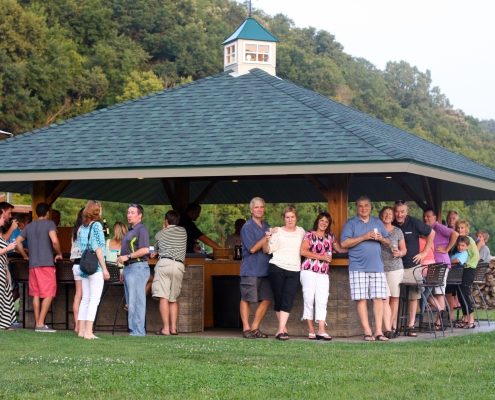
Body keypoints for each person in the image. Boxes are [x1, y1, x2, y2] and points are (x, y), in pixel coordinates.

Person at [341, 196, 391, 341]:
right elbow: (344, 243)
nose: (364, 208)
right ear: (357, 208)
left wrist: (381, 239)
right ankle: (367, 331)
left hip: (377, 266)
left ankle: (379, 332)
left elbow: (388, 242)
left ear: (370, 207)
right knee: (361, 299)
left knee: (378, 299)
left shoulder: (378, 222)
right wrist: (363, 237)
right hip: (358, 267)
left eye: (366, 205)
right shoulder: (351, 223)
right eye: (360, 206)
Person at [16, 203, 62, 332]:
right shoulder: (50, 224)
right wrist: (59, 253)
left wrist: (25, 256)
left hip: (33, 265)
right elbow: (54, 241)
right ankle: (40, 324)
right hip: (46, 264)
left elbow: (17, 242)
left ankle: (38, 324)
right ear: (47, 213)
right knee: (50, 292)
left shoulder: (29, 226)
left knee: (36, 294)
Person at [300, 212, 347, 340]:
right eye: (322, 220)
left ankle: (321, 329)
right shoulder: (309, 235)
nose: (324, 223)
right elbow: (303, 251)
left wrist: (357, 249)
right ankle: (311, 329)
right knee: (309, 298)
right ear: (318, 221)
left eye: (326, 221)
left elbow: (340, 249)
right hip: (309, 270)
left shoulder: (331, 236)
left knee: (322, 300)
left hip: (323, 272)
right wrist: (321, 257)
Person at [392, 200, 435, 337]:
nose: (399, 214)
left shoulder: (414, 222)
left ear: (406, 212)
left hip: (412, 266)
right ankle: (393, 326)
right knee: (394, 297)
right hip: (395, 266)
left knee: (413, 296)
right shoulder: (390, 223)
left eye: (402, 212)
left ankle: (411, 325)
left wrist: (424, 252)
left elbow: (432, 233)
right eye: (397, 211)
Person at [263, 205, 305, 340]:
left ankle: (281, 329)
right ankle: (282, 330)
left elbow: (308, 246)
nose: (290, 219)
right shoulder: (277, 231)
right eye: (287, 217)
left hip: (294, 269)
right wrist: (266, 240)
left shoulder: (301, 232)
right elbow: (266, 250)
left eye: (292, 217)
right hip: (277, 267)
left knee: (288, 298)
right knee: (279, 298)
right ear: (283, 218)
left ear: (296, 218)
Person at [239, 197, 273, 339]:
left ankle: (254, 327)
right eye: (257, 207)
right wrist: (267, 237)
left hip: (266, 270)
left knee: (267, 298)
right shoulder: (247, 227)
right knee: (246, 298)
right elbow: (252, 249)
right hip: (250, 269)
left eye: (262, 207)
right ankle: (246, 328)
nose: (259, 210)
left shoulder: (266, 225)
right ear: (251, 210)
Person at [77, 200, 110, 339]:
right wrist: (104, 268)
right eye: (100, 209)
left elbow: (80, 246)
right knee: (94, 300)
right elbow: (98, 248)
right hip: (95, 267)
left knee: (85, 299)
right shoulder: (96, 226)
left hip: (84, 266)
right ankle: (89, 332)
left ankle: (81, 331)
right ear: (96, 211)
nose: (101, 211)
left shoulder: (82, 227)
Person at [150, 210, 187, 336]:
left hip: (164, 264)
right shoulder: (183, 232)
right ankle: (173, 328)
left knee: (163, 297)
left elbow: (156, 248)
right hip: (179, 266)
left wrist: (163, 229)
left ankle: (165, 329)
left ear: (166, 221)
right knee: (173, 298)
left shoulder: (160, 234)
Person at [116, 204, 150, 336]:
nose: (129, 215)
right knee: (131, 302)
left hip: (138, 267)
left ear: (140, 215)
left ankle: (139, 332)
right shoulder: (130, 230)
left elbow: (145, 250)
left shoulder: (141, 230)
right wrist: (124, 269)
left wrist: (128, 257)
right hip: (129, 268)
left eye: (132, 213)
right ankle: (133, 330)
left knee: (137, 301)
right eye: (128, 212)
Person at [423, 208, 458, 329]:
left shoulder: (438, 227)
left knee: (438, 293)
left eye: (428, 216)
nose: (425, 218)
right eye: (424, 216)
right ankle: (442, 317)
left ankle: (440, 321)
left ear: (435, 217)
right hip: (433, 265)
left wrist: (446, 249)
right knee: (430, 292)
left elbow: (455, 234)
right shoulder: (427, 230)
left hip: (441, 264)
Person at [379, 206, 406, 338]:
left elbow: (404, 249)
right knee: (385, 298)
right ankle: (388, 328)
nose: (388, 215)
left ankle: (389, 327)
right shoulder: (377, 230)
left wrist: (400, 253)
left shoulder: (397, 231)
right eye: (385, 213)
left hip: (396, 268)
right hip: (380, 268)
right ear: (381, 216)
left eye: (390, 214)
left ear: (393, 216)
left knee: (395, 298)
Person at [451, 220, 479, 329]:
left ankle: (471, 320)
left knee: (464, 294)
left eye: (462, 228)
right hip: (461, 270)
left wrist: (468, 263)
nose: (460, 230)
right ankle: (465, 319)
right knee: (460, 294)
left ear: (466, 229)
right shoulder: (458, 240)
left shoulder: (469, 240)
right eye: (458, 227)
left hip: (468, 269)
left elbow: (476, 255)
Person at [0, 211, 17, 330]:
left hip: (2, 268)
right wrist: (8, 248)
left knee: (5, 296)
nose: (3, 220)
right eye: (1, 218)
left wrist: (6, 271)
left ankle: (5, 323)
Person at [69, 208, 84, 332]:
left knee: (78, 295)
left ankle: (77, 325)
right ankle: (83, 325)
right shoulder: (85, 229)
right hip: (85, 264)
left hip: (75, 265)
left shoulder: (75, 229)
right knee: (86, 296)